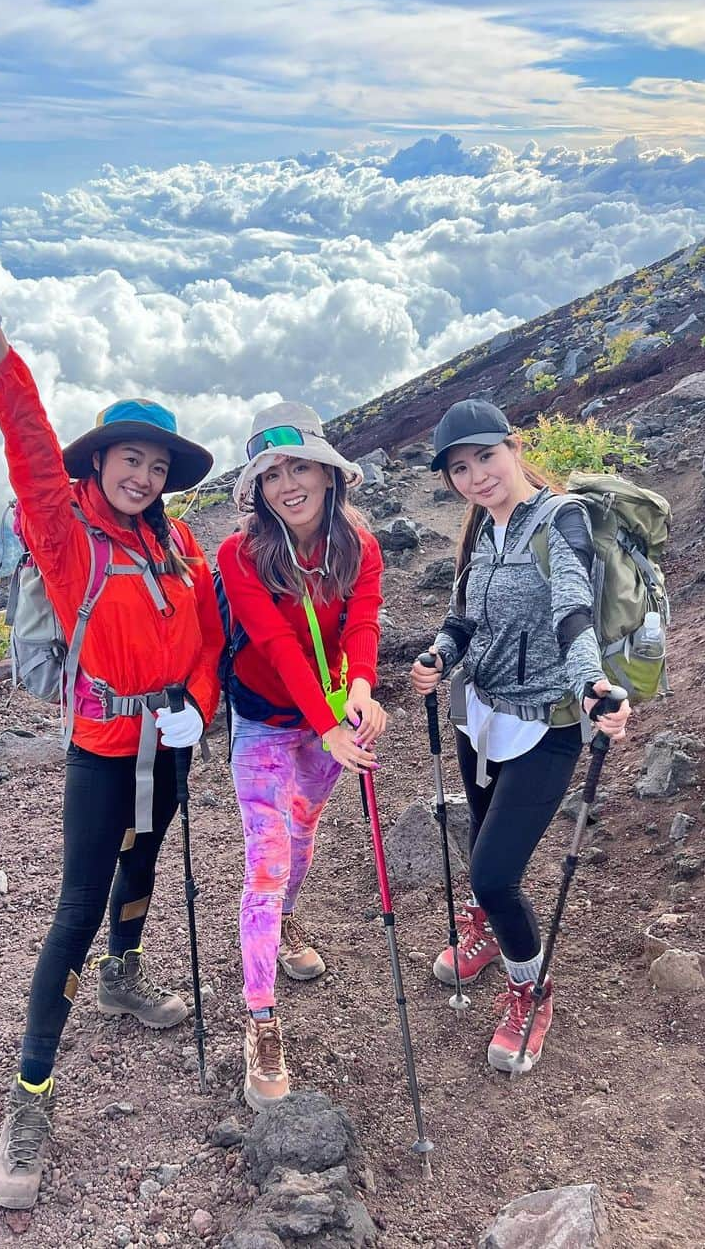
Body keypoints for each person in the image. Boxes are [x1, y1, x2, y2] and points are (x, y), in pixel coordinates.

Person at [0, 267, 223, 1209]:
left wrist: (201, 706)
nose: (143, 476)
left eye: (158, 466)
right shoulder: (68, 536)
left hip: (170, 741)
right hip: (102, 746)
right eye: (129, 460)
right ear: (100, 464)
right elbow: (30, 453)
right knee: (76, 907)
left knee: (144, 868)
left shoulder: (180, 550)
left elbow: (209, 639)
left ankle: (124, 979)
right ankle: (31, 1092)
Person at [410, 399, 630, 1074]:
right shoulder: (483, 532)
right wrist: (440, 656)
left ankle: (530, 990)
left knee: (494, 873)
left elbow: (571, 608)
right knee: (481, 845)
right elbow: (464, 618)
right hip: (478, 718)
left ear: (515, 445)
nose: (475, 476)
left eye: (484, 457)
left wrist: (593, 684)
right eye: (459, 468)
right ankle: (483, 937)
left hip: (546, 728)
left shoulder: (562, 518)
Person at [217, 402, 387, 1110]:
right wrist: (327, 724)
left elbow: (364, 621)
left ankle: (285, 923)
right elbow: (275, 646)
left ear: (326, 471)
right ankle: (261, 1018)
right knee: (268, 859)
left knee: (304, 842)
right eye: (271, 474)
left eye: (299, 467)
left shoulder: (360, 545)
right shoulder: (241, 554)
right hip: (267, 721)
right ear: (257, 489)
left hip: (325, 721)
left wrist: (362, 689)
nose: (288, 483)